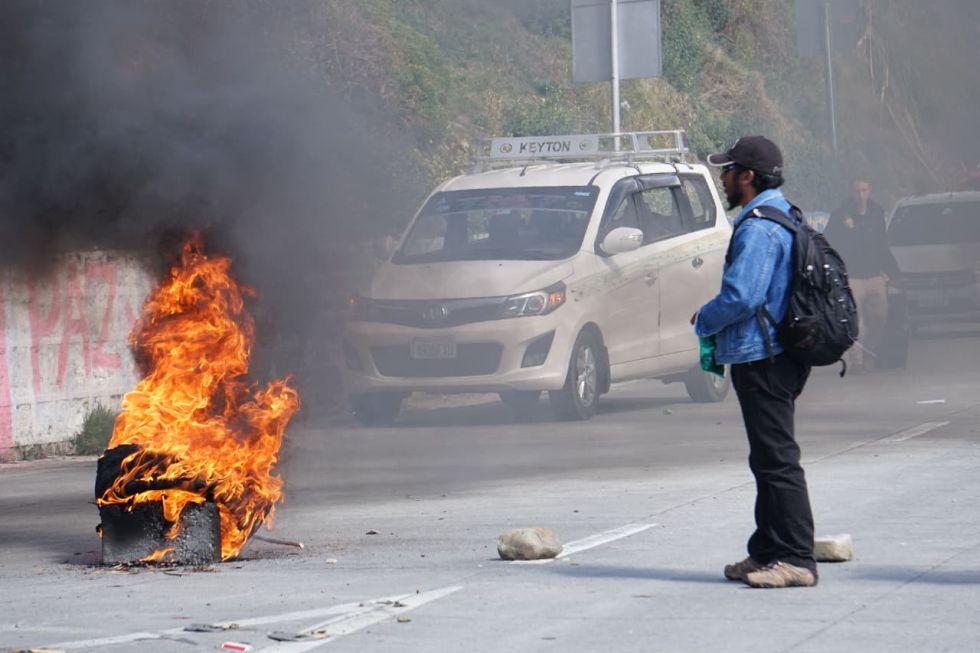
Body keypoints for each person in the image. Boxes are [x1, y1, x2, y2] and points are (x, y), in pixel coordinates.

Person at [692, 135, 818, 588]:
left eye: (727, 171)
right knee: (766, 458)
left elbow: (743, 296)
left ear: (747, 176)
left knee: (778, 459)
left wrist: (703, 318)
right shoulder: (784, 213)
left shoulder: (759, 227)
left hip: (764, 356)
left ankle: (797, 559)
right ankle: (766, 550)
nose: (722, 178)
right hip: (778, 353)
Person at [823, 177, 900, 373]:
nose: (861, 194)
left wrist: (891, 270)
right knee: (855, 322)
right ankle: (857, 361)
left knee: (880, 316)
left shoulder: (877, 213)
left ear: (870, 191)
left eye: (864, 190)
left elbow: (883, 244)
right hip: (852, 277)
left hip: (874, 275)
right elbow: (828, 244)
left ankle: (870, 351)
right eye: (857, 191)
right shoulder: (841, 215)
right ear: (852, 192)